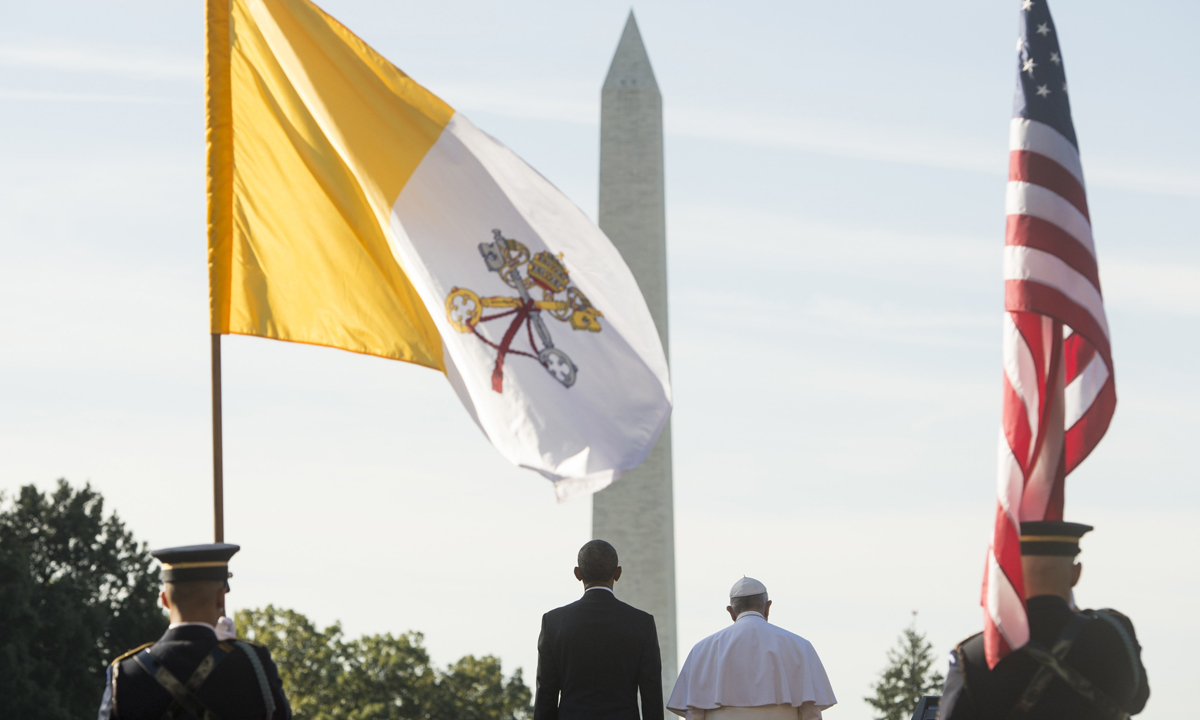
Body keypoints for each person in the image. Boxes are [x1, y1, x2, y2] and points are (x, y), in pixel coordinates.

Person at [940, 521, 1149, 719]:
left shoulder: (975, 657)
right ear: (1076, 574)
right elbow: (1138, 701)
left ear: (1011, 574)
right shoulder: (1113, 637)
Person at [97, 543, 291, 719]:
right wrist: (234, 655)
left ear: (164, 600)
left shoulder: (125, 673)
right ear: (221, 599)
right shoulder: (253, 664)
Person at [668, 577, 836, 720]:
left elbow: (694, 712)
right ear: (768, 607)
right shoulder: (799, 646)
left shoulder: (702, 649)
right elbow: (811, 710)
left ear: (731, 612)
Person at [534, 539, 663, 720]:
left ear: (577, 573)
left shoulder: (553, 623)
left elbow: (545, 696)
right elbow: (652, 698)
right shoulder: (642, 623)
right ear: (618, 573)